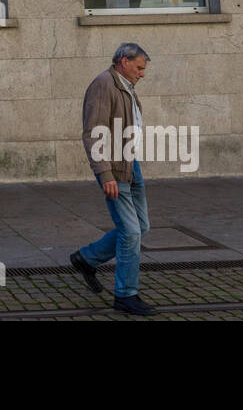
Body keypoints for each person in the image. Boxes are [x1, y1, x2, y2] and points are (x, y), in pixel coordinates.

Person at [70, 42, 156, 315]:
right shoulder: (104, 84)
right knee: (130, 232)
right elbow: (93, 132)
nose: (142, 74)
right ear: (123, 61)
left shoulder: (125, 86)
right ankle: (126, 296)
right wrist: (104, 173)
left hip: (130, 164)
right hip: (114, 169)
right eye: (139, 68)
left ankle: (87, 258)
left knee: (141, 227)